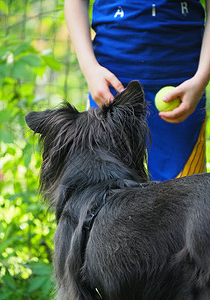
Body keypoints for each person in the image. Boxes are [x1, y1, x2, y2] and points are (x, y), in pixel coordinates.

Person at [64, 0, 210, 181]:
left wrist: (201, 78)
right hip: (110, 87)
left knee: (183, 202)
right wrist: (89, 68)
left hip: (183, 88)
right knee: (106, 199)